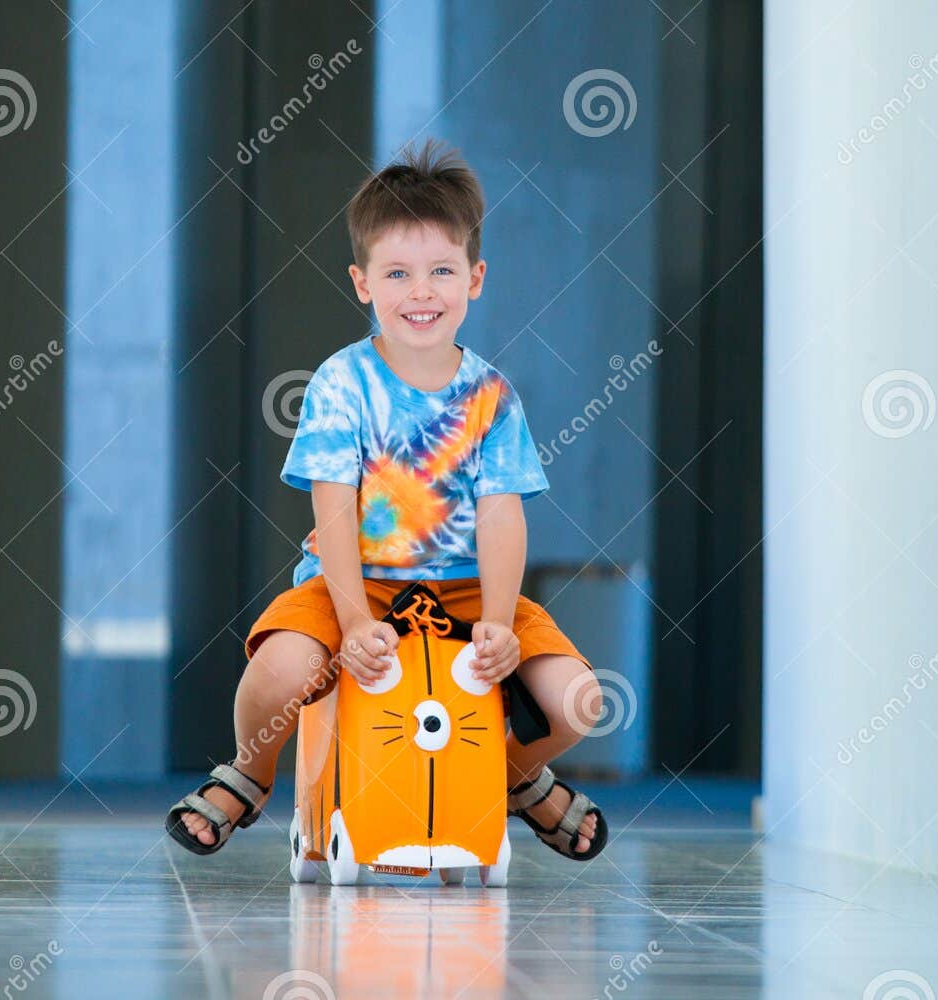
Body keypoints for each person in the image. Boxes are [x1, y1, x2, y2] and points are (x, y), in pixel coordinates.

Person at [165, 138, 609, 865]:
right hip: (360, 580)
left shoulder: (492, 396)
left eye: (442, 270)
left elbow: (502, 514)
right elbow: (333, 507)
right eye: (398, 273)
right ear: (363, 283)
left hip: (467, 588)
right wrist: (352, 619)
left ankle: (516, 779)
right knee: (277, 670)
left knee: (578, 700)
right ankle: (250, 772)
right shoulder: (343, 385)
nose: (422, 292)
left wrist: (498, 623)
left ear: (476, 277)